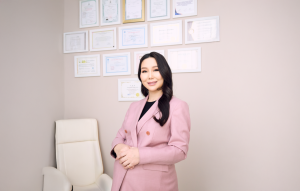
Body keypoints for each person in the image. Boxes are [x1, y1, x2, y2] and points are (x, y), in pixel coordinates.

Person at [110, 52, 191, 191]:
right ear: (140, 76)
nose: (150, 76)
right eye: (144, 71)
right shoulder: (134, 106)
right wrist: (118, 148)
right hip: (122, 178)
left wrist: (140, 155)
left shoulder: (178, 106)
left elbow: (179, 150)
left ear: (165, 72)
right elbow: (120, 135)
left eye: (156, 70)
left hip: (153, 183)